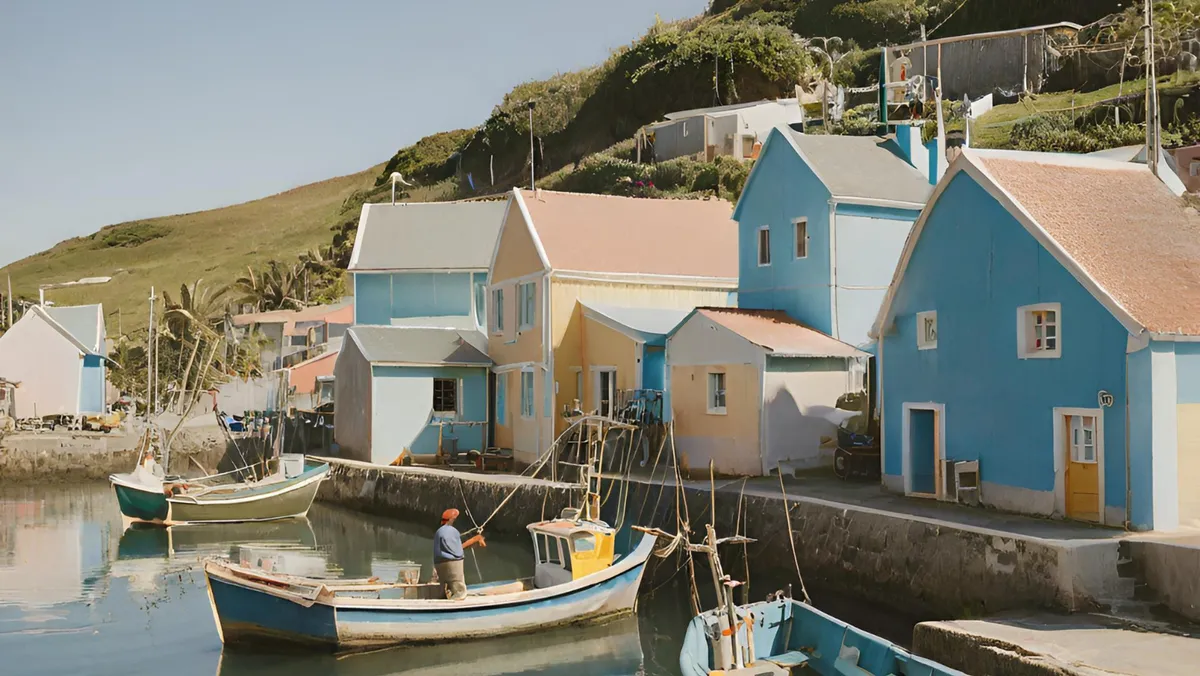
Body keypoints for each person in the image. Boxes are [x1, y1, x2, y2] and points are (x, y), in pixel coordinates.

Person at [433, 508, 486, 600]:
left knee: (446, 585)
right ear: (452, 519)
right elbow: (455, 551)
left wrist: (473, 541)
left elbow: (450, 548)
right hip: (452, 564)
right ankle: (457, 598)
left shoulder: (439, 532)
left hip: (439, 563)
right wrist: (475, 539)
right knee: (459, 589)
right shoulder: (451, 531)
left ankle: (446, 595)